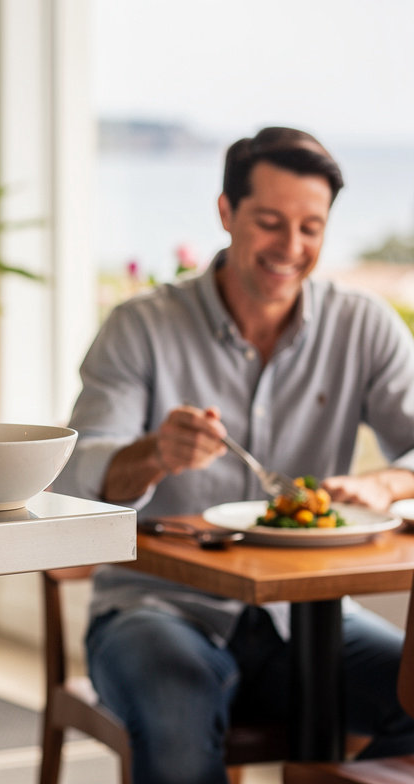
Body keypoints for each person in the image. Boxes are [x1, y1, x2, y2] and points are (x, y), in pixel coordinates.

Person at [54, 126, 414, 784]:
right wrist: (154, 453)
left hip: (311, 620)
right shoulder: (142, 326)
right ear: (226, 212)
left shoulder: (364, 326)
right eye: (270, 223)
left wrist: (389, 482)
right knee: (176, 715)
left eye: (312, 227)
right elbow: (74, 480)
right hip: (154, 608)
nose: (291, 248)